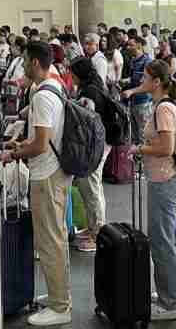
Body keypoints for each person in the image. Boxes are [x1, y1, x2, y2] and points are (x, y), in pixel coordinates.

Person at [0, 42, 72, 326]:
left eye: (25, 60)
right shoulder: (56, 85)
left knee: (50, 241)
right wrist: (21, 142)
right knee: (55, 237)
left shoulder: (42, 97)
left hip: (47, 175)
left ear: (35, 63)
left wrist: (14, 152)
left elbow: (41, 144)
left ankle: (60, 307)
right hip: (55, 171)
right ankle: (58, 296)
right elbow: (44, 136)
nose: (23, 64)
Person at [128, 59, 176, 320]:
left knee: (162, 241)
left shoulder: (163, 109)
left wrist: (138, 149)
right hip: (166, 178)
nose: (141, 81)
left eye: (145, 77)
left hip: (164, 179)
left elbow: (166, 148)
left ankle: (168, 302)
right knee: (171, 238)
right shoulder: (163, 105)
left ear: (156, 82)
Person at [68, 57, 112, 253]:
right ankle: (96, 227)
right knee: (94, 186)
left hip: (94, 146)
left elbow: (87, 120)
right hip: (101, 143)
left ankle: (97, 234)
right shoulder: (96, 85)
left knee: (90, 187)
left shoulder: (90, 92)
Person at [121, 37, 153, 146]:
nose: (128, 47)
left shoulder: (147, 61)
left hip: (143, 101)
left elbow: (146, 83)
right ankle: (137, 158)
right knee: (135, 134)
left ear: (139, 45)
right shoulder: (133, 60)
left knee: (143, 132)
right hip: (133, 101)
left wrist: (131, 90)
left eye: (131, 45)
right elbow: (133, 78)